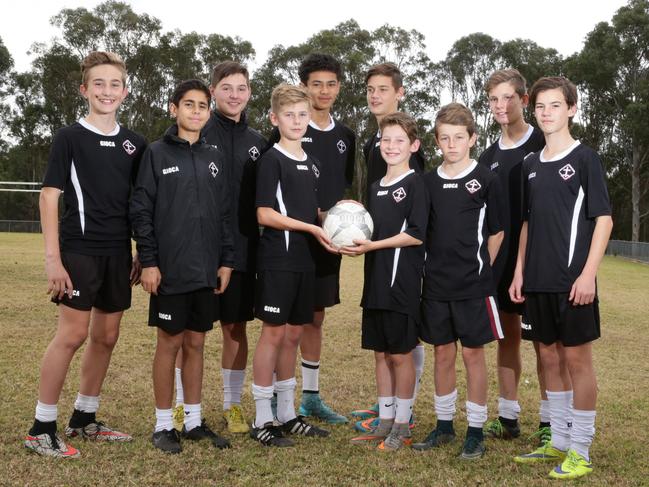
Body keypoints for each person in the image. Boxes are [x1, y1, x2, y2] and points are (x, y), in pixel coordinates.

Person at [24, 51, 145, 458]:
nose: (106, 91)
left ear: (125, 92)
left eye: (114, 84)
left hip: (118, 253)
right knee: (73, 334)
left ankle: (84, 418)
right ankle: (41, 427)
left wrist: (140, 251)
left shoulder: (135, 143)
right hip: (79, 251)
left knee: (107, 336)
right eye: (98, 84)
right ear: (84, 90)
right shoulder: (69, 138)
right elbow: (49, 197)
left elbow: (139, 203)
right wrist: (52, 259)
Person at [510, 76, 612, 480]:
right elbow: (527, 224)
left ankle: (581, 450)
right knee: (548, 357)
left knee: (576, 360)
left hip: (573, 281)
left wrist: (588, 275)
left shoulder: (585, 159)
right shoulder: (529, 165)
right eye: (540, 107)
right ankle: (560, 439)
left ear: (571, 109)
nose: (547, 113)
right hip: (536, 280)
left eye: (555, 105)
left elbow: (603, 220)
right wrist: (519, 270)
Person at [130, 79, 233, 454]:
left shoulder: (214, 157)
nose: (195, 111)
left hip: (206, 268)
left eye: (202, 106)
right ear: (174, 109)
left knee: (197, 342)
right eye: (188, 104)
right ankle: (163, 424)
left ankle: (192, 421)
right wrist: (150, 262)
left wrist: (226, 260)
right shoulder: (156, 153)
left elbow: (224, 214)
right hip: (169, 269)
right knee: (169, 343)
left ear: (208, 112)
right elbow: (141, 210)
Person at [172, 61, 267, 434]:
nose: (234, 95)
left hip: (242, 251)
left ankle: (232, 406)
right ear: (213, 92)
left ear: (249, 93)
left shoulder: (259, 142)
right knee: (186, 333)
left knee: (235, 329)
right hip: (195, 251)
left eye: (241, 88)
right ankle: (182, 407)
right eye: (226, 88)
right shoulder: (194, 130)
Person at [413, 103, 504, 460]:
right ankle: (445, 425)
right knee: (442, 354)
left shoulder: (486, 179)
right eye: (445, 138)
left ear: (472, 139)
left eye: (459, 138)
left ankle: (476, 431)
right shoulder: (427, 182)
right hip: (435, 285)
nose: (452, 144)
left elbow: (496, 232)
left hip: (473, 286)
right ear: (437, 141)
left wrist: (481, 270)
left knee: (473, 355)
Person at [269, 53, 355, 424]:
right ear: (304, 86)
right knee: (286, 324)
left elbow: (342, 187)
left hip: (328, 242)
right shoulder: (287, 129)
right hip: (291, 242)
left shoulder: (346, 136)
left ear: (339, 87)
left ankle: (311, 397)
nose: (324, 90)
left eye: (331, 83)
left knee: (316, 319)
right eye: (316, 83)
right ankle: (276, 396)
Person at [250, 83, 336, 447]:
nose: (297, 121)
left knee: (294, 334)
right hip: (278, 260)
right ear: (275, 118)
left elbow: (311, 211)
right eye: (289, 115)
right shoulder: (271, 160)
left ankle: (286, 414)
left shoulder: (312, 163)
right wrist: (311, 227)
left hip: (306, 262)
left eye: (303, 115)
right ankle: (261, 418)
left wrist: (338, 221)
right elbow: (265, 213)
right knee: (273, 333)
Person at [342, 112, 427, 451]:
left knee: (400, 355)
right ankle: (386, 421)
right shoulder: (376, 187)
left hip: (402, 283)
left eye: (399, 141)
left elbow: (417, 234)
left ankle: (403, 427)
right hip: (375, 282)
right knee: (380, 354)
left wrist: (374, 245)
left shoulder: (417, 182)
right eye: (386, 140)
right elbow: (368, 231)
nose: (391, 146)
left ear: (413, 145)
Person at [478, 69, 551, 442]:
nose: (501, 105)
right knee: (506, 338)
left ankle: (550, 422)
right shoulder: (488, 157)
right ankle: (508, 417)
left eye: (508, 97)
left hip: (540, 261)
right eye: (494, 99)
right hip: (502, 263)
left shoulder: (544, 143)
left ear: (524, 101)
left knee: (544, 344)